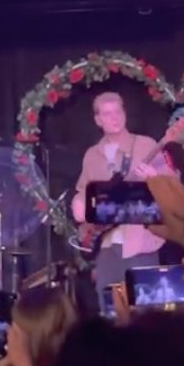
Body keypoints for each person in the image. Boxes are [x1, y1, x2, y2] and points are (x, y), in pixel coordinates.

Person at [72, 92, 173, 290]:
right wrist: (79, 203)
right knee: (109, 302)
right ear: (98, 120)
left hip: (140, 243)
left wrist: (155, 177)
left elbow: (172, 184)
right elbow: (84, 191)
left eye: (118, 112)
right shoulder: (92, 155)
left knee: (144, 302)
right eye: (107, 114)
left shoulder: (146, 145)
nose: (114, 117)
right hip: (106, 245)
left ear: (125, 114)